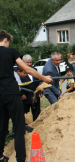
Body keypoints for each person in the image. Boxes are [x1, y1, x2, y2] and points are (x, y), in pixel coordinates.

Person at [0, 30, 52, 162]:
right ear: (5, 40)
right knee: (18, 126)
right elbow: (27, 69)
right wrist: (44, 78)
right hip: (11, 93)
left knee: (1, 126)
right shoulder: (11, 51)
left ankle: (0, 156)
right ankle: (21, 159)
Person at [19, 54, 42, 121]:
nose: (29, 64)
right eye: (27, 62)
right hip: (25, 97)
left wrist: (40, 91)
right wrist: (21, 94)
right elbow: (17, 84)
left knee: (37, 114)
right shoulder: (19, 72)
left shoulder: (35, 70)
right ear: (23, 62)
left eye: (30, 62)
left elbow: (38, 81)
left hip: (35, 96)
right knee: (25, 115)